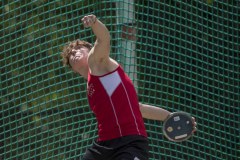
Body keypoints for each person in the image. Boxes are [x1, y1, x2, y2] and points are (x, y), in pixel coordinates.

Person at [61, 14, 197, 160]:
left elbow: (104, 38)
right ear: (73, 69)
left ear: (90, 50)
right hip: (104, 145)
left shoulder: (97, 61)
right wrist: (170, 117)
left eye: (78, 49)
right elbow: (138, 108)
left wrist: (94, 23)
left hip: (130, 142)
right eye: (70, 56)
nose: (74, 53)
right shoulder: (91, 85)